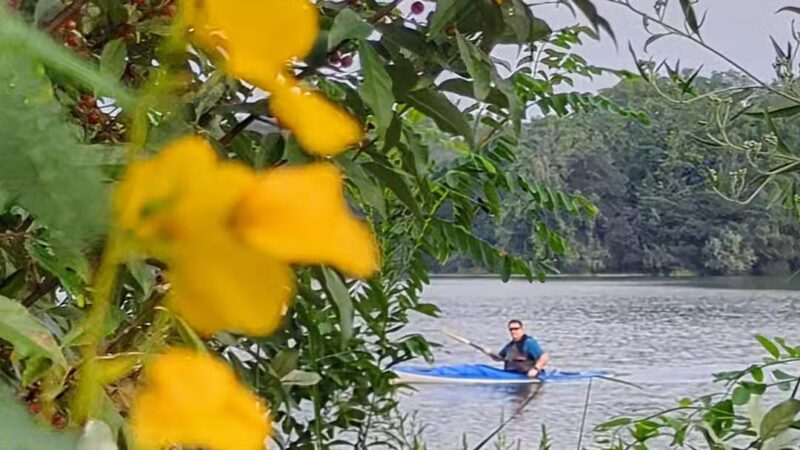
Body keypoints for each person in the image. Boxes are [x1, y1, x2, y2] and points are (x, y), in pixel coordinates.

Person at [485, 319, 550, 378]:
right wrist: (490, 354)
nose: (513, 331)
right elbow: (499, 358)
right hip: (511, 374)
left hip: (527, 376)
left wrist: (535, 369)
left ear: (522, 329)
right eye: (511, 329)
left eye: (516, 329)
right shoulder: (510, 345)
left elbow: (545, 357)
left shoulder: (529, 343)